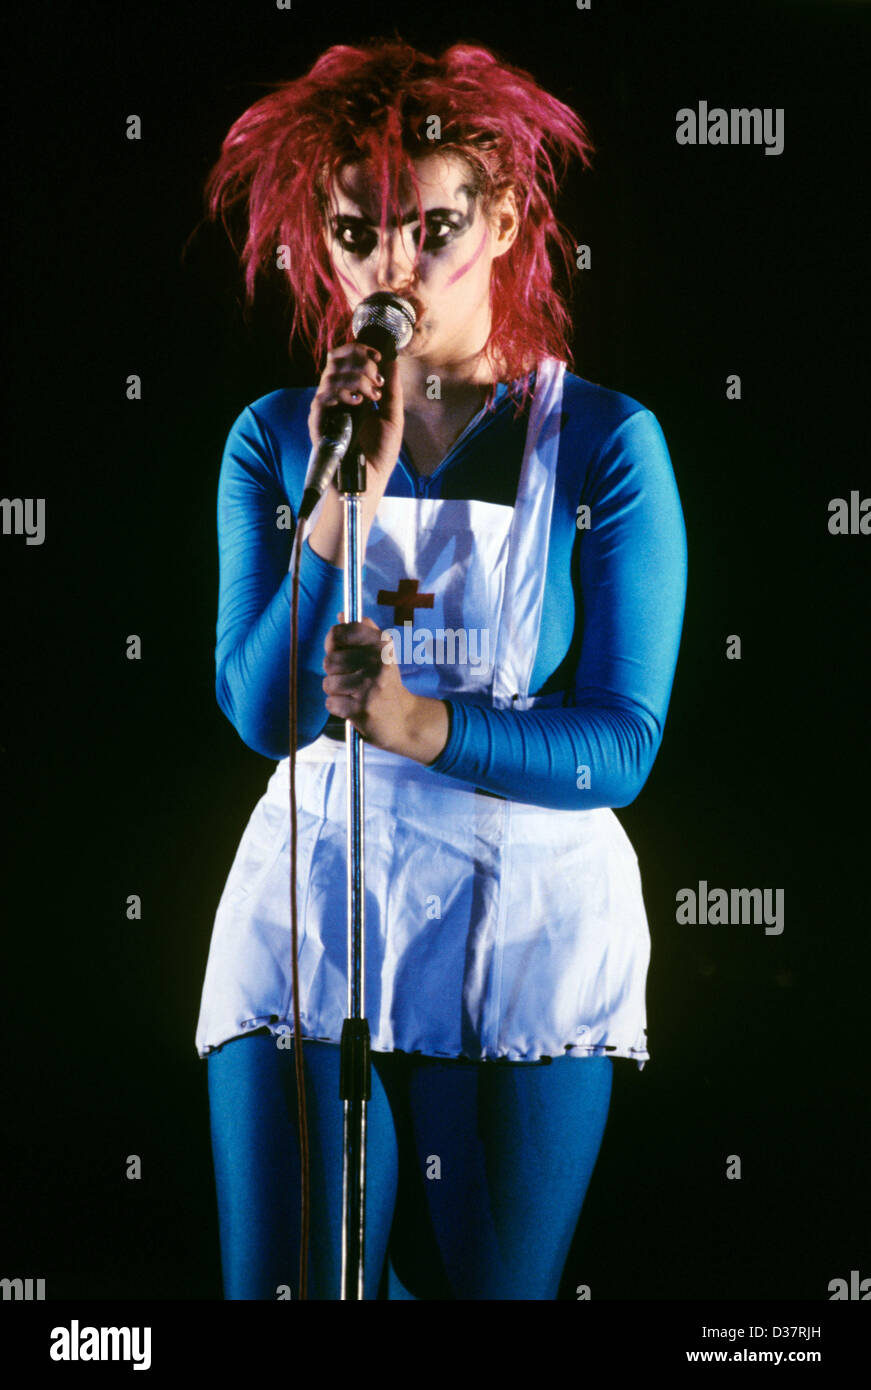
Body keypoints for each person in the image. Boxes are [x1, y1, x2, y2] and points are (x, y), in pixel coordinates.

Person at [194, 36, 687, 1301]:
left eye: (431, 229)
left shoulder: (605, 443)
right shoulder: (274, 440)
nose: (389, 270)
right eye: (359, 235)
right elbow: (261, 712)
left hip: (526, 895)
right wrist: (336, 499)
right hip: (319, 879)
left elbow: (621, 743)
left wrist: (421, 725)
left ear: (507, 217)